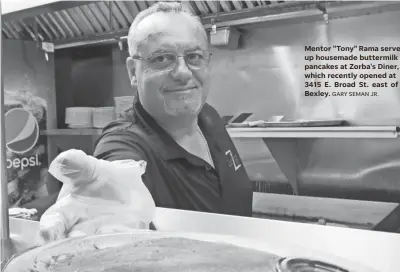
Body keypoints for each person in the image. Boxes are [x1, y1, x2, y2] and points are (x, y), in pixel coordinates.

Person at [31, 1, 253, 240]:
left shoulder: (208, 116)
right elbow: (117, 181)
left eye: (194, 56)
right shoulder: (126, 142)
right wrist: (108, 209)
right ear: (132, 72)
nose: (183, 72)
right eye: (161, 59)